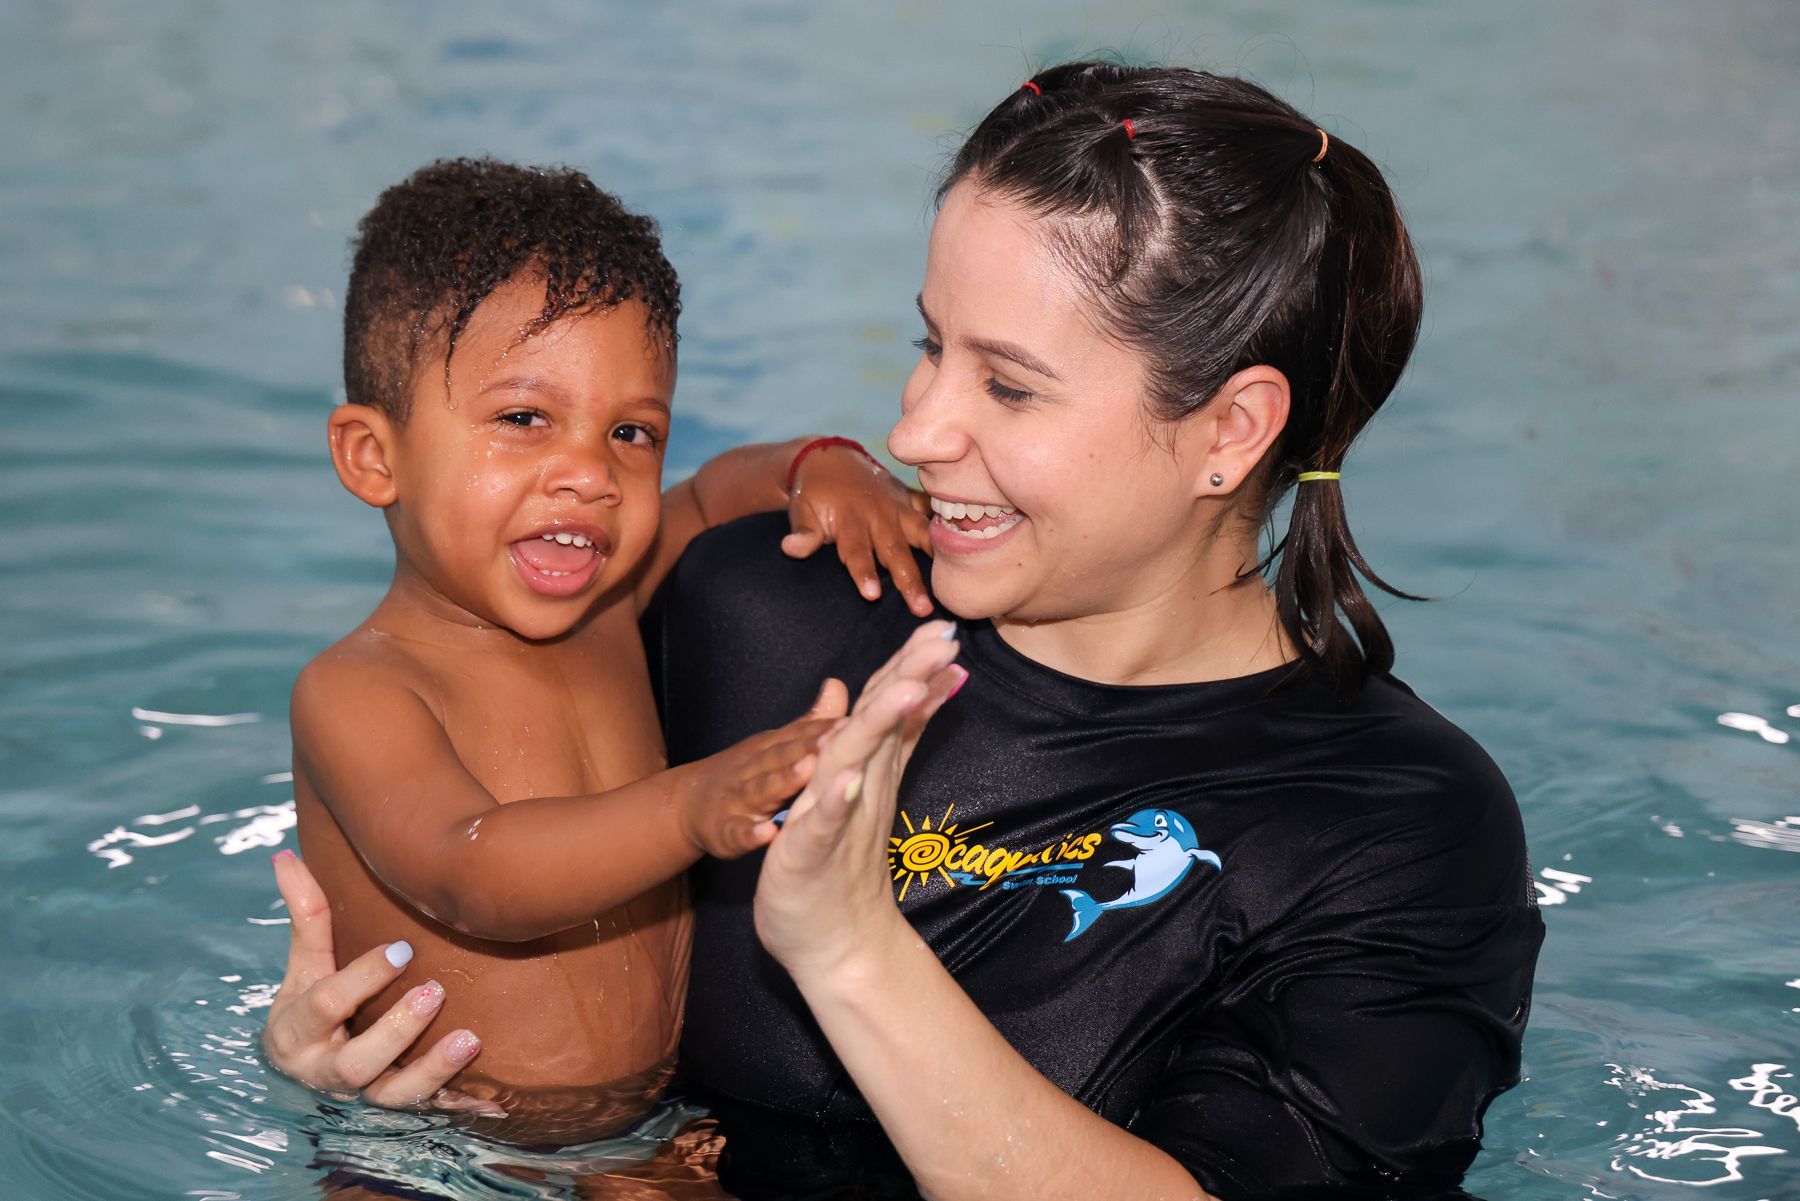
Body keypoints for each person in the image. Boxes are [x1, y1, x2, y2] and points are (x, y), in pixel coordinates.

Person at [266, 64, 1545, 1200]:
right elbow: (463, 820)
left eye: (1008, 382)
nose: (918, 427)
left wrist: (850, 947)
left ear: (1230, 431)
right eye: (931, 346)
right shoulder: (767, 612)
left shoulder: (1395, 830)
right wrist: (332, 1058)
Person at [279, 157, 941, 1146]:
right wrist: (691, 803)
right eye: (524, 419)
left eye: (632, 431)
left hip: (647, 1130)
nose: (589, 474)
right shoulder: (360, 690)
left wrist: (821, 464)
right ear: (375, 457)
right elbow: (474, 870)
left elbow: (720, 493)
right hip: (439, 1150)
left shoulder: (610, 596)